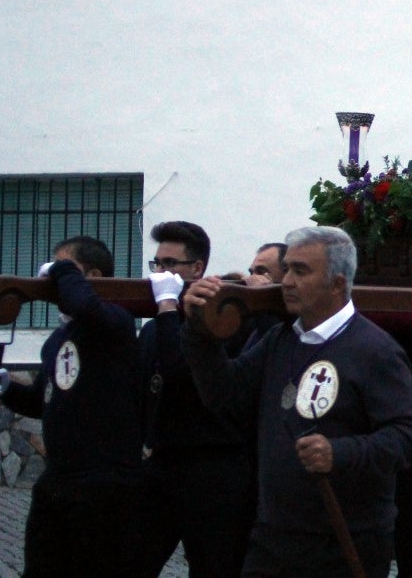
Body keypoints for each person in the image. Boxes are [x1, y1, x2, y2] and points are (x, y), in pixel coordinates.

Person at [181, 225, 412, 576]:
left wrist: (339, 452)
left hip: (342, 542)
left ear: (337, 283)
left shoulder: (376, 350)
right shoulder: (280, 340)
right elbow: (225, 396)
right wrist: (200, 332)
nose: (287, 281)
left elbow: (410, 438)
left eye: (301, 271)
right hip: (273, 536)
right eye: (289, 269)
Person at [0, 236, 142, 576]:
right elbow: (46, 399)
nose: (53, 284)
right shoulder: (60, 337)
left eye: (63, 272)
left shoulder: (115, 322)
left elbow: (85, 305)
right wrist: (5, 388)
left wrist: (60, 272)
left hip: (103, 482)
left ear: (96, 278)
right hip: (57, 479)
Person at [139, 220, 256, 577]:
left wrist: (168, 309)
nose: (161, 272)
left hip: (212, 468)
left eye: (171, 264)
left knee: (213, 567)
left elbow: (179, 369)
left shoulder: (224, 321)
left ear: (197, 269)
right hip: (162, 462)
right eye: (156, 264)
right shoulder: (157, 324)